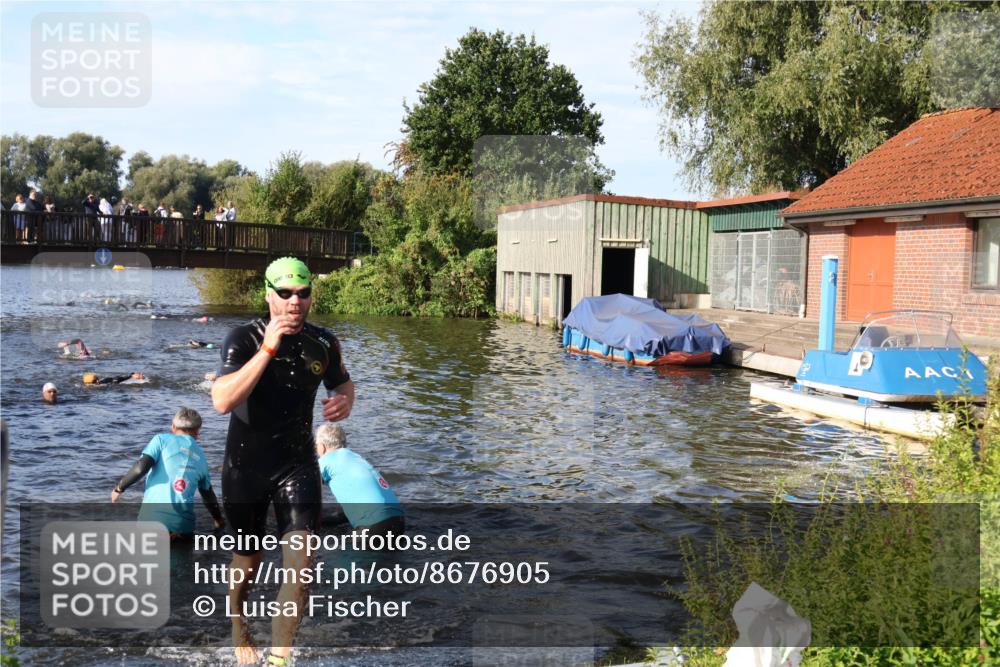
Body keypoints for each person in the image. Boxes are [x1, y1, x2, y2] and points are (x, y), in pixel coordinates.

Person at [212, 256, 354, 666]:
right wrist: (268, 349)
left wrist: (345, 400)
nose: (295, 301)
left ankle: (279, 658)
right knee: (248, 562)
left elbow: (342, 381)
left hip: (297, 464)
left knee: (301, 561)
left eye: (303, 293)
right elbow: (222, 400)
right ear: (268, 295)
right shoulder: (243, 337)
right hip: (244, 468)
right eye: (286, 293)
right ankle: (238, 623)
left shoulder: (324, 342)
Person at [111, 407, 225, 540]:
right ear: (198, 431)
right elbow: (208, 494)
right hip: (183, 528)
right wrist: (218, 519)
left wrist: (119, 488)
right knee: (181, 560)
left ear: (173, 426)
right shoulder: (201, 456)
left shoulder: (160, 440)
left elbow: (140, 468)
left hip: (151, 523)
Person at [314, 423, 403, 535]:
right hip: (398, 520)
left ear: (322, 447)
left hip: (374, 526)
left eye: (316, 445)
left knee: (332, 549)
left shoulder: (325, 461)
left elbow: (303, 489)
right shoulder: (356, 457)